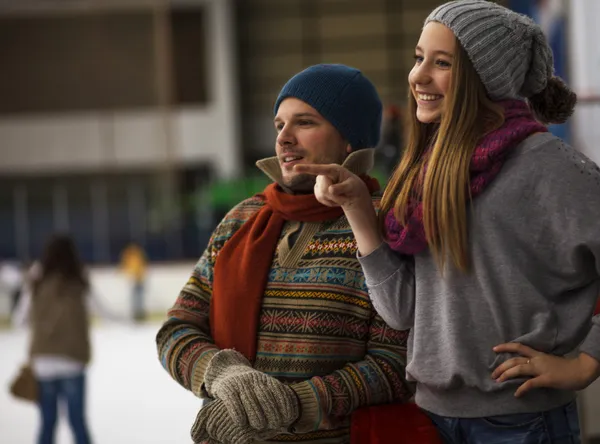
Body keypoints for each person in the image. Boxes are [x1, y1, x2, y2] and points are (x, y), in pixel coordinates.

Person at [295, 1, 600, 443]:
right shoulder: (427, 171)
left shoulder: (547, 167)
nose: (419, 76)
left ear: (485, 79)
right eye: (420, 57)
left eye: (442, 63)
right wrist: (358, 208)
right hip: (431, 419)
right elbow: (401, 313)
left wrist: (583, 363)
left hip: (520, 424)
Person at [156, 64, 419, 444]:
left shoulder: (386, 223)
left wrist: (293, 404)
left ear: (350, 139)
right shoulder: (242, 219)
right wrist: (222, 373)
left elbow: (395, 365)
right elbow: (176, 328)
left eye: (305, 122)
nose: (284, 139)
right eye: (280, 125)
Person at [119, 242, 147, 322]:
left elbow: (141, 267)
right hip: (135, 279)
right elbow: (126, 266)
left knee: (138, 298)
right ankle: (136, 314)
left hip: (139, 279)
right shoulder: (130, 256)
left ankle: (139, 314)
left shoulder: (136, 255)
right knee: (135, 298)